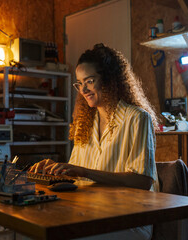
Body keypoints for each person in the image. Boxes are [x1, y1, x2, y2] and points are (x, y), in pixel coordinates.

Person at [29, 43, 160, 240]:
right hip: (90, 214)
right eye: (79, 83)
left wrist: (85, 172)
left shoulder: (137, 118)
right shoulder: (85, 124)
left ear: (109, 79)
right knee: (31, 232)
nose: (83, 90)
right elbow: (74, 174)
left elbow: (142, 181)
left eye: (89, 81)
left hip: (129, 219)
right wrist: (55, 170)